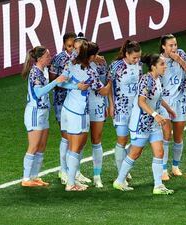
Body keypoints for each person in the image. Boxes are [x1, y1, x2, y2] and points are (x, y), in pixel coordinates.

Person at [113, 53, 176, 195]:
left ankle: (158, 185)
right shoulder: (146, 81)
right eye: (162, 64)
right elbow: (141, 102)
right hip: (141, 123)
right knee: (135, 153)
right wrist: (156, 115)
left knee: (159, 152)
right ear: (153, 67)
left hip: (153, 124)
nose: (165, 66)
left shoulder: (157, 79)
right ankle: (119, 181)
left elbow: (158, 99)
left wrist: (169, 109)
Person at [60, 41, 109, 191]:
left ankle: (70, 178)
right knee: (76, 147)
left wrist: (74, 86)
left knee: (70, 146)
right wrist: (111, 80)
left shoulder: (71, 63)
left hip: (67, 108)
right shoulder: (91, 72)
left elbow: (60, 83)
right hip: (79, 112)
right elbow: (104, 92)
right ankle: (71, 184)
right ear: (92, 56)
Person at [21, 46, 67, 187]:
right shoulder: (35, 73)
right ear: (40, 58)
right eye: (47, 55)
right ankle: (26, 178)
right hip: (35, 113)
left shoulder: (44, 70)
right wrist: (56, 82)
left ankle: (34, 176)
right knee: (34, 146)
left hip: (44, 112)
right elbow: (39, 93)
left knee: (41, 146)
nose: (50, 57)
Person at [158, 34, 186, 181]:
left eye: (175, 45)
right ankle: (163, 169)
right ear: (163, 47)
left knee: (178, 137)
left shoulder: (181, 54)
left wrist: (179, 60)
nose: (174, 48)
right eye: (170, 45)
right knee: (166, 135)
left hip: (181, 101)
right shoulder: (159, 61)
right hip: (165, 103)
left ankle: (175, 166)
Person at [108, 40, 142, 179]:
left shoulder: (138, 65)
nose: (136, 60)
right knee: (122, 140)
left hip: (136, 108)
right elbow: (109, 86)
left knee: (138, 141)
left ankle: (125, 165)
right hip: (121, 108)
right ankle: (122, 172)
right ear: (127, 54)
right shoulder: (116, 66)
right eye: (134, 57)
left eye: (138, 57)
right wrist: (111, 104)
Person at [49, 32, 78, 183]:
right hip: (61, 101)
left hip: (77, 104)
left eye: (74, 46)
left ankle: (75, 171)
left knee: (76, 138)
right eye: (69, 46)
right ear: (64, 45)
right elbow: (53, 80)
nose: (72, 49)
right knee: (66, 137)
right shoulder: (59, 59)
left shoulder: (80, 57)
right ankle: (63, 171)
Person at [88, 57, 109, 188]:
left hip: (97, 105)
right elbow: (106, 87)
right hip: (81, 107)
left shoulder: (100, 64)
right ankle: (74, 174)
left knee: (96, 140)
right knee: (78, 142)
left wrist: (106, 104)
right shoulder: (76, 64)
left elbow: (103, 83)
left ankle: (97, 176)